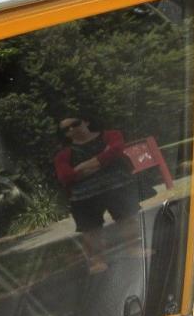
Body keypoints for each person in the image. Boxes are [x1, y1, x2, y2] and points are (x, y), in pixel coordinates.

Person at [54, 116, 142, 273]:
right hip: (83, 197)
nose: (72, 129)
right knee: (91, 231)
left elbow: (116, 150)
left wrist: (81, 167)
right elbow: (65, 176)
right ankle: (96, 261)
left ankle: (135, 248)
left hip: (117, 187)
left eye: (75, 124)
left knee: (128, 219)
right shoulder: (63, 154)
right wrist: (103, 160)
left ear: (86, 121)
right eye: (66, 129)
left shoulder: (110, 135)